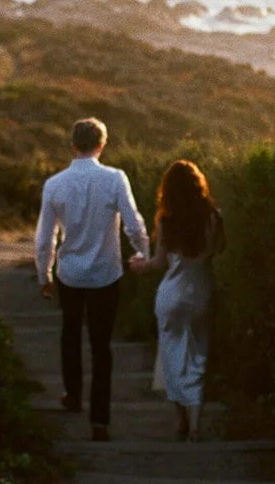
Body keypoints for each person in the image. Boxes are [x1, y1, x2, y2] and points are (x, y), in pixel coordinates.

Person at [35, 117, 150, 443]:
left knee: (69, 336)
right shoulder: (115, 179)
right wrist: (143, 254)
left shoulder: (54, 184)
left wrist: (43, 274)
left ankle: (73, 396)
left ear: (73, 145)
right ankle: (100, 420)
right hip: (105, 274)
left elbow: (45, 238)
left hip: (70, 274)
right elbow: (134, 224)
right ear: (102, 145)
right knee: (102, 348)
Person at [129, 159, 224, 442]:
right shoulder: (214, 217)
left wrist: (138, 265)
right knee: (197, 355)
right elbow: (218, 251)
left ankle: (180, 419)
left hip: (171, 293)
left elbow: (157, 263)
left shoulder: (167, 220)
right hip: (201, 291)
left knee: (171, 355)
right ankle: (195, 426)